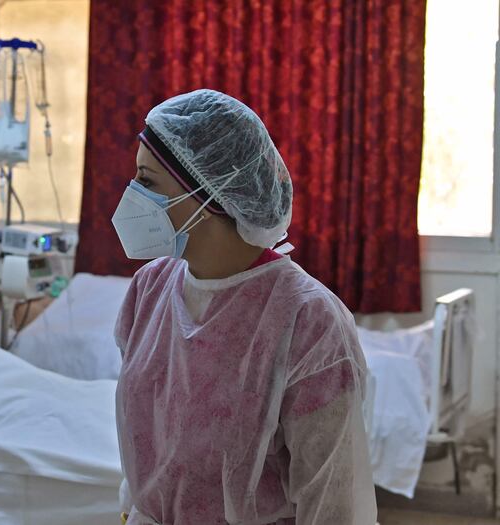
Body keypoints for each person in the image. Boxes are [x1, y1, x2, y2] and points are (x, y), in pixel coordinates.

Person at [111, 89, 376, 524]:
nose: (132, 195)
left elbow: (333, 503)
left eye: (148, 181)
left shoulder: (307, 322)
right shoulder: (149, 290)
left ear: (209, 195)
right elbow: (147, 448)